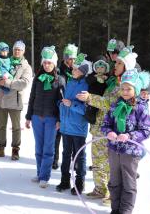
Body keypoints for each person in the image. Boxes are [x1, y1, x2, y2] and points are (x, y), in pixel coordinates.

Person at [76, 46, 138, 204]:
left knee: (110, 164)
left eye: (118, 63)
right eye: (115, 63)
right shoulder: (112, 82)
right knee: (97, 160)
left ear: (126, 67)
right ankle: (99, 188)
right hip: (99, 126)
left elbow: (110, 103)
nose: (114, 65)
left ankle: (112, 193)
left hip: (113, 130)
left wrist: (90, 98)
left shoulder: (124, 86)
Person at [101, 69, 150, 214]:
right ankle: (115, 209)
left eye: (128, 88)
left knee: (128, 183)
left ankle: (125, 211)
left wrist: (130, 136)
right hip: (114, 149)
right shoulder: (115, 105)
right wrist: (109, 132)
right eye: (123, 88)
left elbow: (146, 130)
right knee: (114, 182)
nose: (124, 91)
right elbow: (105, 124)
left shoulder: (141, 107)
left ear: (135, 89)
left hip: (130, 152)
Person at [25, 46, 65, 188]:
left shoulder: (60, 80)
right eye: (45, 62)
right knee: (38, 148)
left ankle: (45, 176)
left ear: (54, 63)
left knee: (48, 148)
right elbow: (32, 98)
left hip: (51, 118)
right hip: (36, 117)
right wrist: (28, 116)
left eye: (50, 63)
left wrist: (60, 119)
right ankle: (39, 172)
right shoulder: (37, 79)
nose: (47, 65)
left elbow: (62, 103)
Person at [0, 40, 32, 160]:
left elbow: (23, 83)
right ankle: (0, 148)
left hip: (15, 102)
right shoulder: (4, 61)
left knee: (16, 127)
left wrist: (7, 82)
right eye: (15, 49)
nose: (17, 51)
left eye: (19, 49)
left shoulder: (26, 66)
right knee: (1, 126)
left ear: (23, 51)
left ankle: (15, 149)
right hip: (1, 100)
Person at [56, 63, 89, 195]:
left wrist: (72, 104)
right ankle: (65, 180)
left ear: (82, 72)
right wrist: (61, 106)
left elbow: (86, 109)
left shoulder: (86, 86)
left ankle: (80, 182)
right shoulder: (70, 82)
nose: (73, 70)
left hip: (78, 128)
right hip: (66, 126)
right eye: (73, 68)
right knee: (65, 154)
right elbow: (66, 101)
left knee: (79, 156)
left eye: (76, 69)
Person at [52, 43, 78, 170]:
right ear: (65, 58)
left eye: (74, 59)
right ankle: (54, 159)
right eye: (69, 58)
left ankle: (74, 160)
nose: (71, 61)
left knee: (71, 137)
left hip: (73, 107)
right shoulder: (58, 70)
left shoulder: (77, 71)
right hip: (60, 106)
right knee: (57, 135)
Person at [84, 57, 109, 124]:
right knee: (90, 115)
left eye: (102, 67)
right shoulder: (93, 76)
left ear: (106, 68)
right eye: (97, 68)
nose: (99, 69)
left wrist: (106, 80)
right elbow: (87, 80)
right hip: (91, 102)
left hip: (102, 102)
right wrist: (95, 78)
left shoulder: (108, 77)